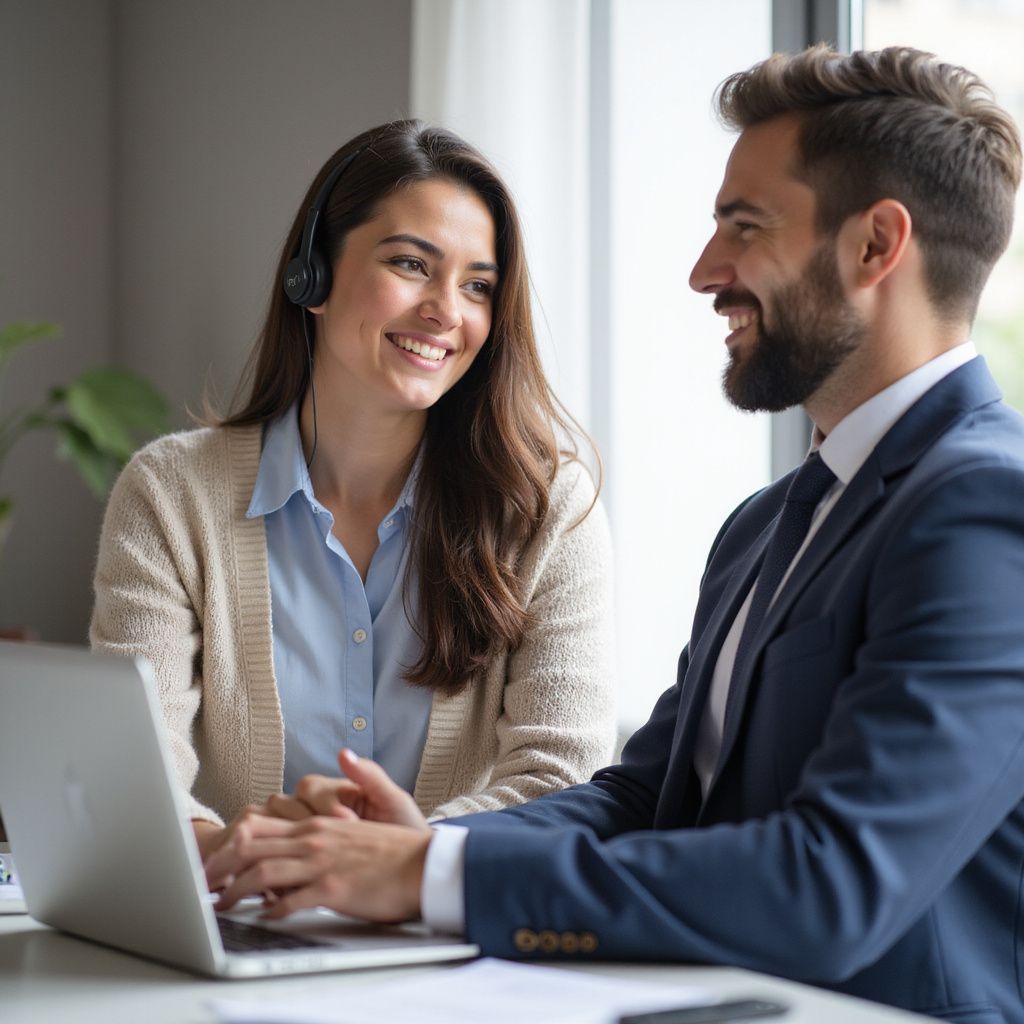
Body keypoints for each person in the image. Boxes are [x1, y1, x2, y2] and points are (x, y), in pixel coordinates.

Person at [205, 47, 1024, 1022]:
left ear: (873, 247)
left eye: (742, 226)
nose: (702, 271)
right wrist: (426, 847)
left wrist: (428, 879)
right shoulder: (768, 523)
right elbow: (642, 798)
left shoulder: (985, 512)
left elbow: (830, 884)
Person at [90, 120, 616, 859]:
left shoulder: (548, 511)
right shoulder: (171, 496)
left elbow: (563, 780)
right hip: (239, 918)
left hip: (452, 938)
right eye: (410, 264)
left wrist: (384, 862)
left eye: (477, 287)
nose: (446, 310)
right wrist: (222, 848)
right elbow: (132, 771)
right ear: (312, 275)